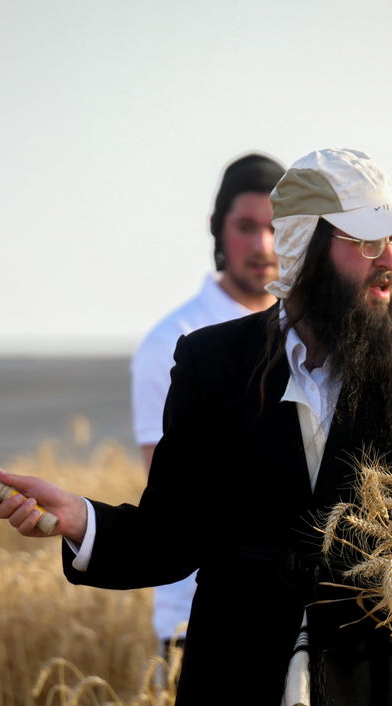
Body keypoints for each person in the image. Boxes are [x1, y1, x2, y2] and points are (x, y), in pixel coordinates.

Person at [0, 149, 392, 706]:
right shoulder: (212, 363)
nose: (390, 261)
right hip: (236, 704)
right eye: (367, 240)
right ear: (304, 245)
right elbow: (174, 532)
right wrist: (82, 521)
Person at [132, 153, 285, 654]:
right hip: (197, 611)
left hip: (297, 611)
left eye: (275, 227)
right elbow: (173, 489)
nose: (262, 245)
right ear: (216, 230)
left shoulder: (311, 336)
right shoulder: (172, 341)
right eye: (246, 227)